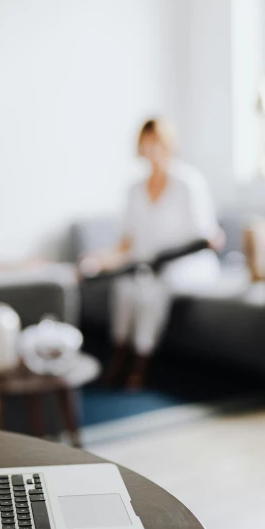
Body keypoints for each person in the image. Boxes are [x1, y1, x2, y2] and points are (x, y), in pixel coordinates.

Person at [88, 119, 222, 389]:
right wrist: (100, 260)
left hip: (187, 264)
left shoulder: (188, 182)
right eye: (147, 143)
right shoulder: (134, 190)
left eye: (157, 143)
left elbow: (208, 236)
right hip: (147, 264)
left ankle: (141, 362)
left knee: (152, 289)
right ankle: (119, 355)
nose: (152, 150)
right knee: (124, 286)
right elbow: (126, 243)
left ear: (169, 145)